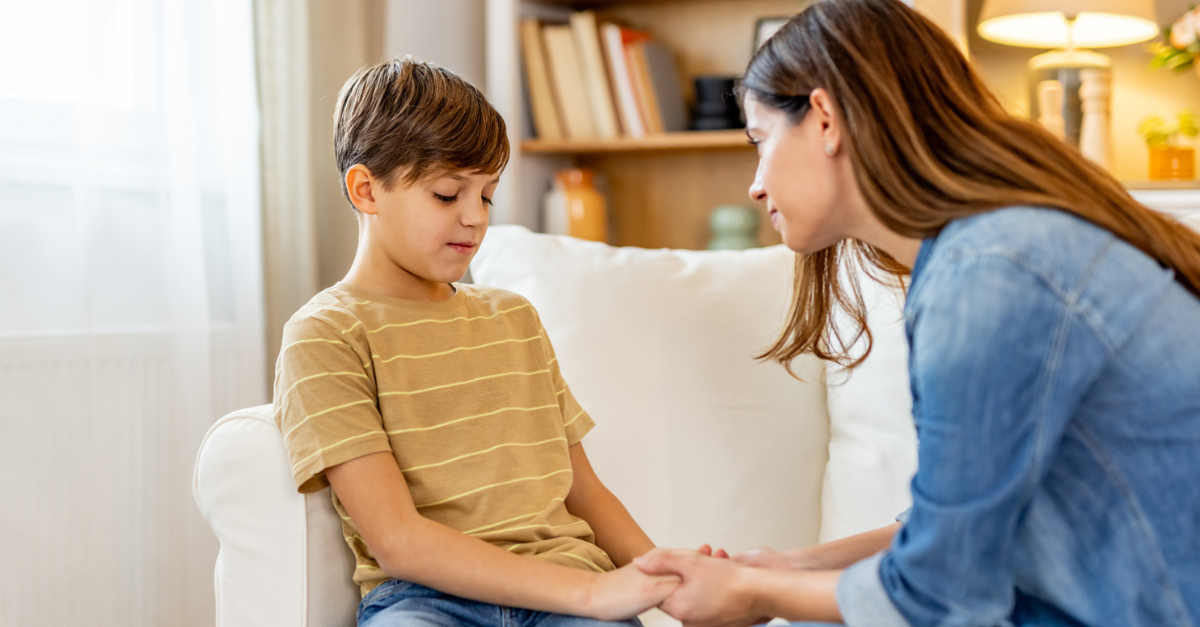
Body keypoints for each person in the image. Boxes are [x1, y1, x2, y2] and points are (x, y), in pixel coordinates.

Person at [634, 0, 1200, 625]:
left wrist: (753, 594)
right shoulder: (991, 250)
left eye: (761, 141)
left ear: (825, 119)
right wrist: (790, 568)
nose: (756, 184)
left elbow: (940, 594)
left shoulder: (992, 273)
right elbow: (956, 528)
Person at [272, 57, 678, 627]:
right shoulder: (327, 333)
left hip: (564, 586)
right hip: (424, 600)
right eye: (447, 194)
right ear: (366, 190)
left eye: (486, 196)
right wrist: (593, 595)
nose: (475, 218)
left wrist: (668, 580)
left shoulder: (513, 318)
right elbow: (396, 540)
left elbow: (583, 491)